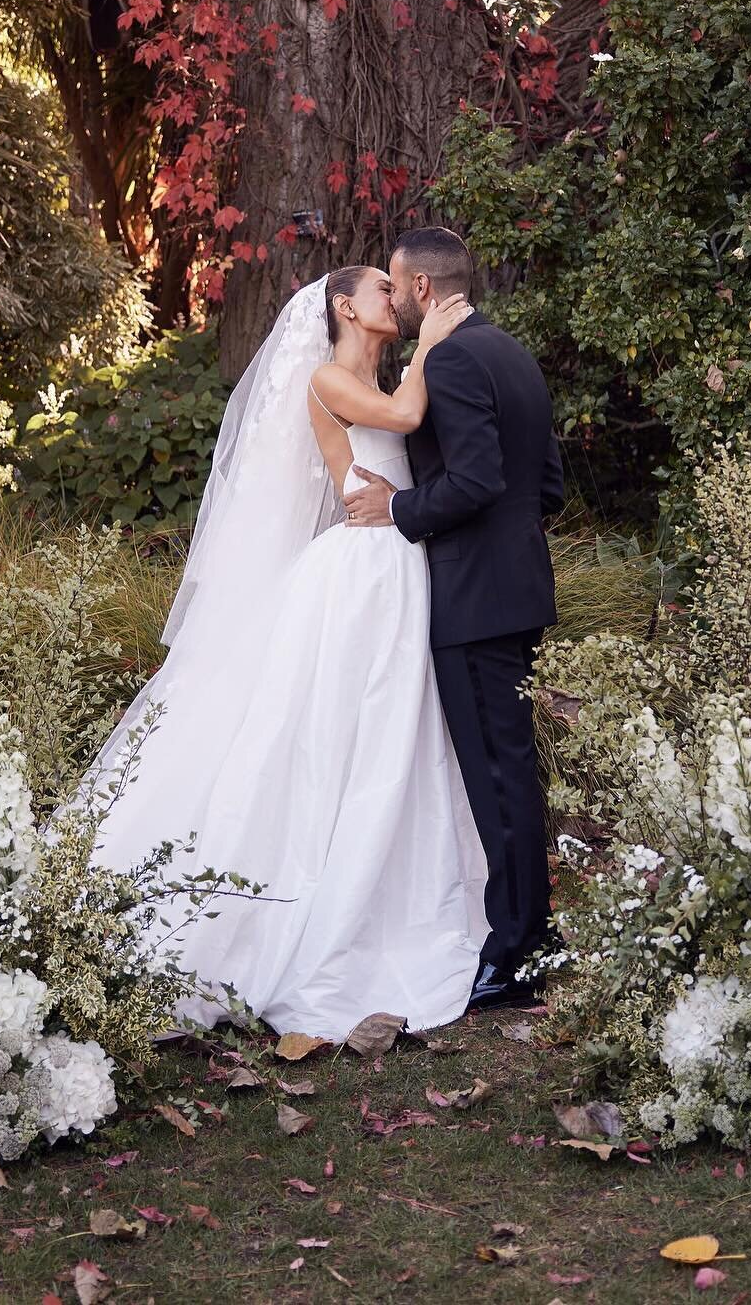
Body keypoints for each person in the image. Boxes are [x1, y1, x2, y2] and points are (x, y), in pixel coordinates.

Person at [82, 268, 491, 1037]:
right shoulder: (326, 378)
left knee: (394, 737)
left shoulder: (383, 372)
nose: (394, 299)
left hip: (399, 561)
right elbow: (403, 418)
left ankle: (395, 889)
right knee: (341, 735)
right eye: (379, 288)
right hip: (362, 570)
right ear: (344, 308)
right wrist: (438, 338)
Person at [343, 227, 563, 1011]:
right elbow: (547, 484)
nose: (395, 302)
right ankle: (535, 934)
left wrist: (396, 506)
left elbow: (473, 481)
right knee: (511, 775)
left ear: (424, 290)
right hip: (516, 590)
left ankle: (514, 954)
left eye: (397, 289)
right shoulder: (510, 351)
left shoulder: (456, 360)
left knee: (499, 779)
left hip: (475, 601)